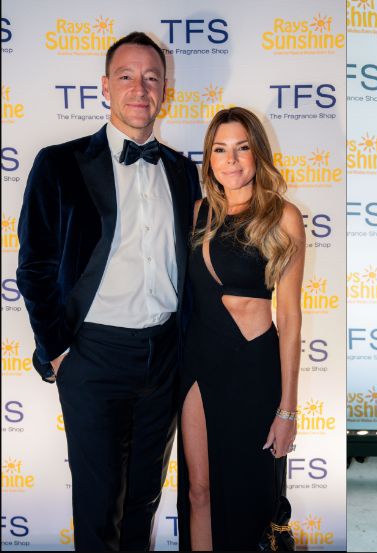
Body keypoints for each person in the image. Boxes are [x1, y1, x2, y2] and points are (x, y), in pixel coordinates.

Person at [14, 32, 200, 551]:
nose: (139, 88)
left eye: (151, 77)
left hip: (163, 357)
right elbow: (34, 266)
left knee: (143, 499)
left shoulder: (184, 172)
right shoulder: (59, 164)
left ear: (164, 89)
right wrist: (57, 349)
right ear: (104, 87)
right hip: (91, 355)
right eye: (126, 76)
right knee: (98, 508)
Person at [177, 107, 305, 550]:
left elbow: (289, 317)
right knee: (199, 491)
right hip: (199, 363)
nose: (231, 160)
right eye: (220, 149)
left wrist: (288, 408)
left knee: (252, 497)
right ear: (209, 158)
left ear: (258, 154)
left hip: (253, 369)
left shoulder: (281, 215)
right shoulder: (196, 214)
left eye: (242, 148)